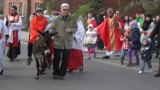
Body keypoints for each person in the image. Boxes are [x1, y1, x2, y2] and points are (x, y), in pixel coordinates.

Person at [50, 3, 77, 80]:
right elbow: (52, 28)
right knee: (56, 59)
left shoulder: (72, 19)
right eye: (64, 10)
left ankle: (62, 74)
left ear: (69, 10)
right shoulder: (56, 19)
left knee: (65, 60)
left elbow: (75, 28)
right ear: (61, 10)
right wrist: (53, 32)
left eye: (67, 10)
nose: (65, 11)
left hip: (68, 42)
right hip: (58, 41)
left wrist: (71, 30)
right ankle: (55, 73)